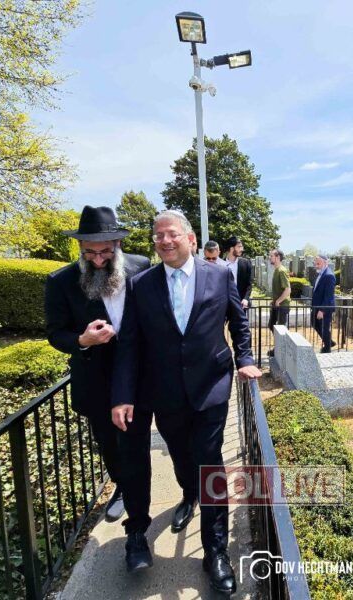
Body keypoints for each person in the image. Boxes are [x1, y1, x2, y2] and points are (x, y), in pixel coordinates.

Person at [112, 210, 262, 593]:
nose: (164, 240)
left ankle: (215, 551)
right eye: (158, 235)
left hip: (211, 386)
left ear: (191, 239)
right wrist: (124, 395)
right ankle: (188, 493)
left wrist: (245, 358)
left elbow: (237, 321)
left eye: (172, 234)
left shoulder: (220, 275)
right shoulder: (141, 285)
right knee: (181, 456)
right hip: (165, 393)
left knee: (210, 462)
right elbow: (129, 344)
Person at [44, 206, 150, 524]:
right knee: (109, 443)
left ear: (118, 244)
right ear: (80, 247)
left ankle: (137, 499)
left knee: (136, 442)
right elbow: (55, 334)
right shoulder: (61, 281)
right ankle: (122, 485)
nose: (98, 260)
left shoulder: (141, 267)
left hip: (137, 376)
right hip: (95, 379)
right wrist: (83, 340)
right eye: (89, 252)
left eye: (105, 252)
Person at [311, 255, 336, 353]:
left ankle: (327, 348)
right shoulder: (321, 274)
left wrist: (322, 310)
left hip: (324, 307)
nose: (316, 265)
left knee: (324, 328)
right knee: (314, 323)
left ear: (325, 263)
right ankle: (329, 342)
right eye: (315, 263)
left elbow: (328, 295)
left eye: (318, 263)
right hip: (317, 306)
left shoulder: (329, 275)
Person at [224, 235, 253, 310]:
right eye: (239, 247)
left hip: (241, 304)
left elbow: (249, 284)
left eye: (242, 247)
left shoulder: (246, 263)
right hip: (225, 305)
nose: (242, 249)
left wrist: (246, 298)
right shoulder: (220, 264)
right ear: (231, 248)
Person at [268, 249, 291, 331]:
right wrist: (274, 301)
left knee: (281, 330)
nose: (270, 257)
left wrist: (278, 301)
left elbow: (288, 289)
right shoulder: (276, 270)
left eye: (271, 256)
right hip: (277, 304)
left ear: (277, 257)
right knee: (271, 325)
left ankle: (284, 340)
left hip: (282, 305)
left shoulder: (282, 271)